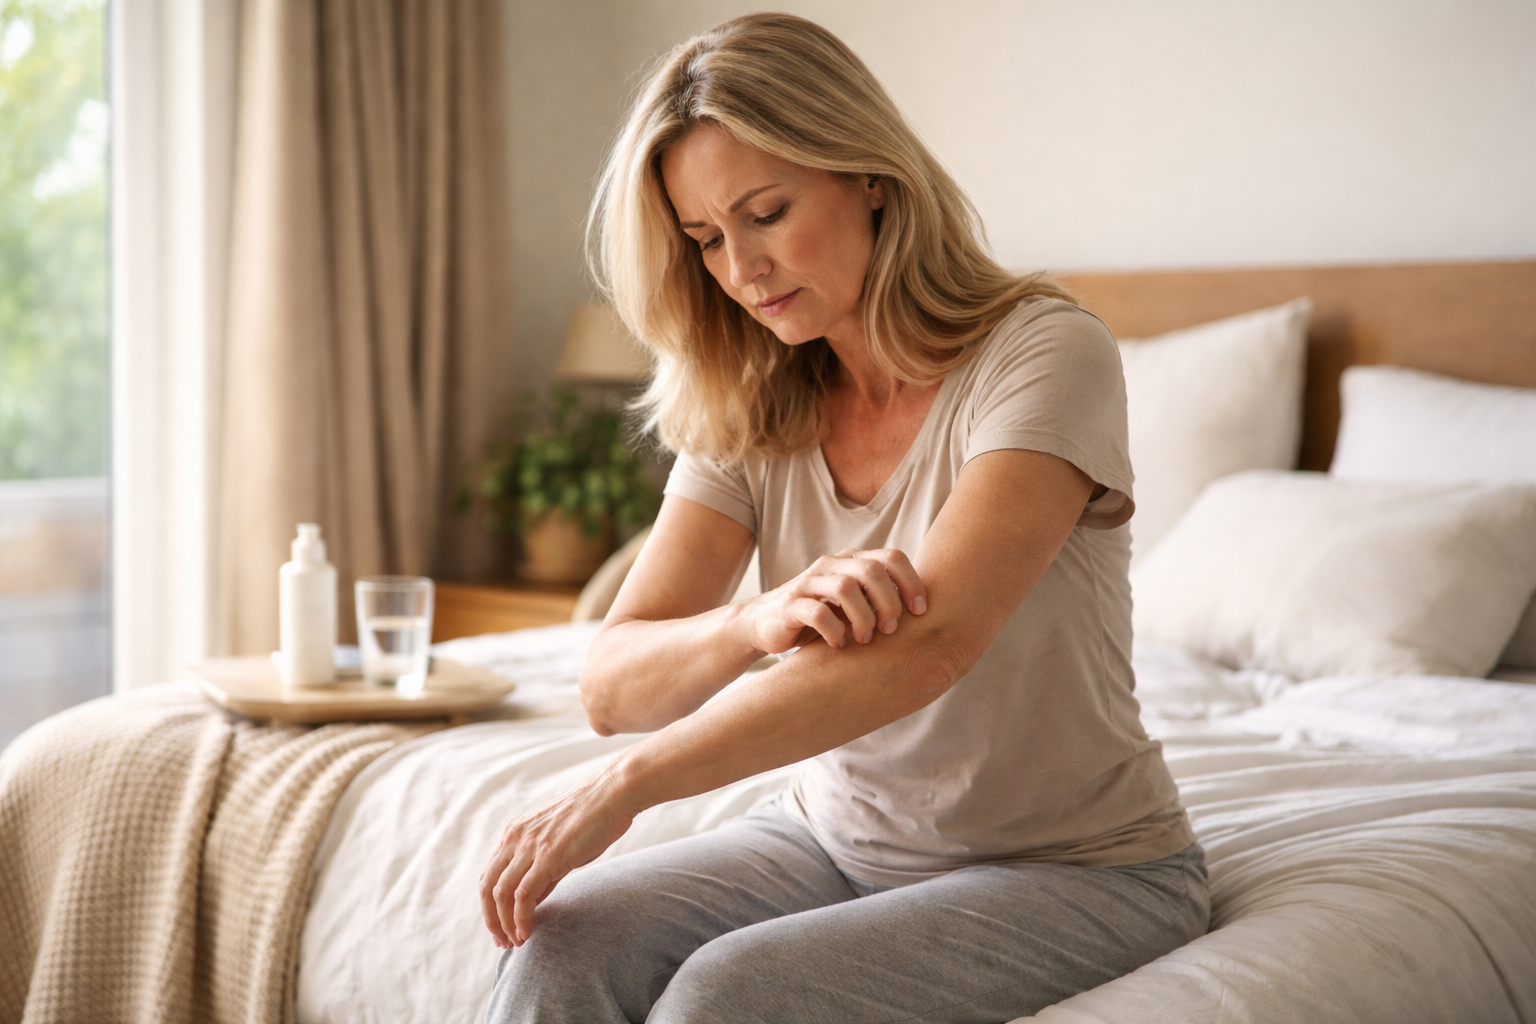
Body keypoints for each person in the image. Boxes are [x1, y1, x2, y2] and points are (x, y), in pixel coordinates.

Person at [479, 13, 1207, 1023]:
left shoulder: (1045, 352)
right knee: (566, 945)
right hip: (834, 839)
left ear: (868, 173)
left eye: (766, 212)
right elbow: (612, 683)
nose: (742, 270)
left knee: (727, 997)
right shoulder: (749, 396)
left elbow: (930, 647)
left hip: (1083, 868)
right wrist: (753, 621)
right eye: (707, 241)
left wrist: (630, 786)